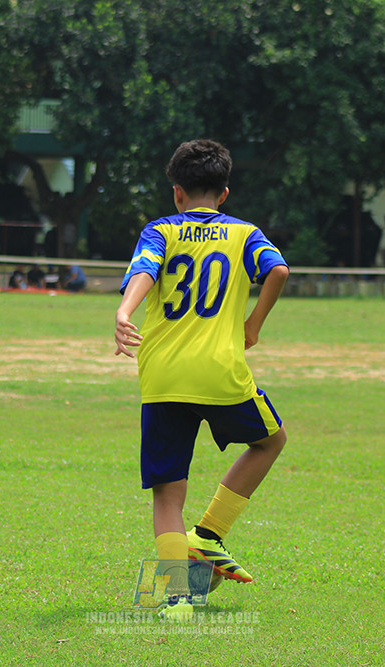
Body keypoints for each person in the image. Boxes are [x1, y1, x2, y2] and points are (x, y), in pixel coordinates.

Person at [114, 139, 290, 621]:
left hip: (163, 375)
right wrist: (253, 325)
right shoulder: (245, 233)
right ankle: (209, 535)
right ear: (224, 193)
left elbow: (145, 269)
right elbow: (278, 270)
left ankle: (176, 600)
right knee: (271, 441)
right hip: (220, 372)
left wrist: (125, 311)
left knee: (168, 492)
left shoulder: (160, 230)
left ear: (177, 192)